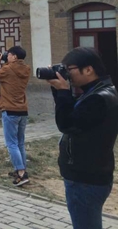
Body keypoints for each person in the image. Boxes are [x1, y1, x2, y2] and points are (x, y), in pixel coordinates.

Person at [46, 47, 118, 229]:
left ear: (88, 69)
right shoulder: (100, 91)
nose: (67, 75)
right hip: (92, 174)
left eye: (69, 70)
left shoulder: (98, 99)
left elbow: (66, 124)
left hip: (85, 179)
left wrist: (64, 91)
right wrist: (58, 90)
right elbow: (73, 114)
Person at [0, 46, 31, 187]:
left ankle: (21, 173)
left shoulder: (7, 69)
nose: (7, 56)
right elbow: (11, 72)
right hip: (22, 110)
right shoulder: (26, 69)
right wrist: (5, 62)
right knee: (20, 143)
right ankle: (21, 169)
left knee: (11, 144)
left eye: (9, 54)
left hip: (10, 110)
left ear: (15, 57)